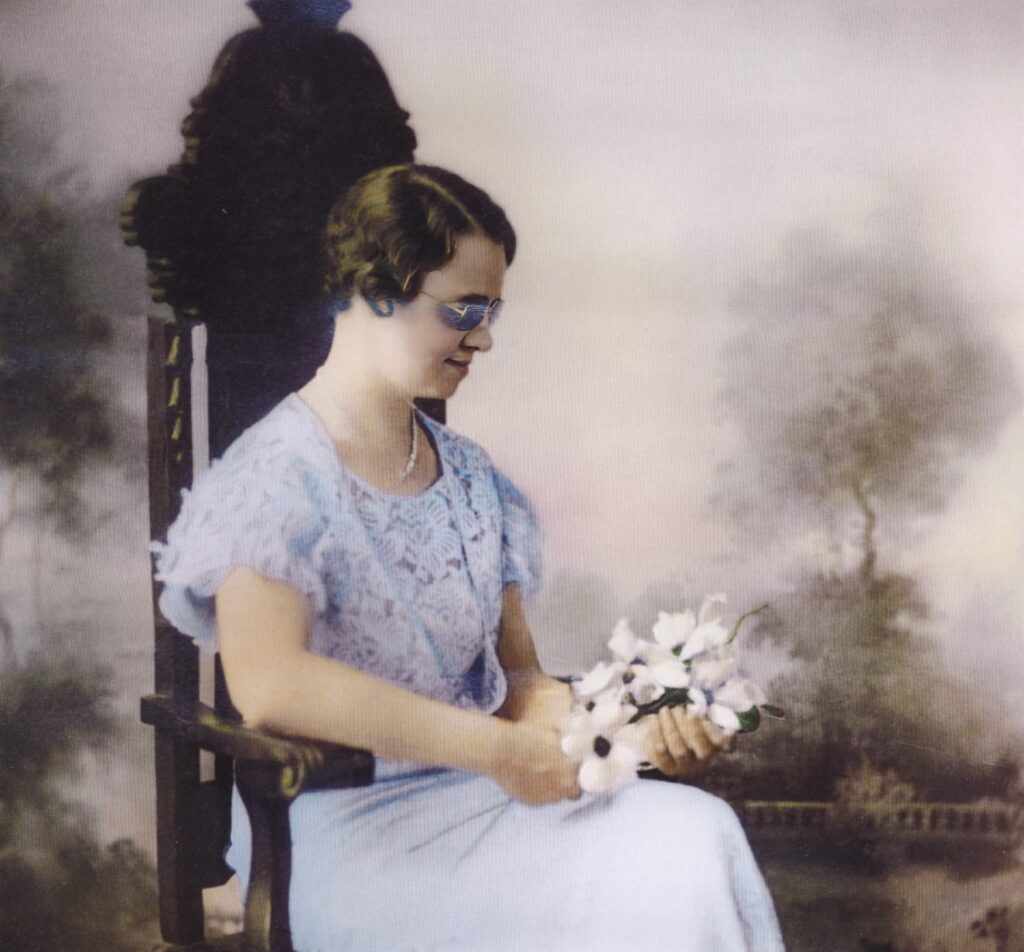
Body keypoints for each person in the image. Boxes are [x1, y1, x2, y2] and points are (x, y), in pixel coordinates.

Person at [153, 163, 786, 952]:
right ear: (375, 292)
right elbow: (271, 686)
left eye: (491, 312)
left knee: (694, 837)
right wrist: (496, 751)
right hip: (336, 829)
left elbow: (519, 683)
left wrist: (634, 728)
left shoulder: (472, 478)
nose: (483, 336)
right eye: (463, 310)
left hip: (479, 794)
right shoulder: (274, 476)